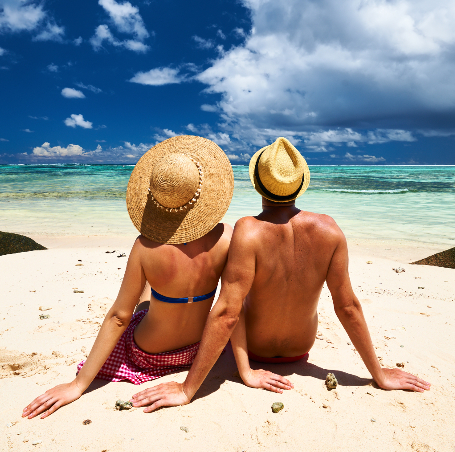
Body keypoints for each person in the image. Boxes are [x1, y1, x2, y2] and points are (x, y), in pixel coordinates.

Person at [132, 137, 431, 412]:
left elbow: (227, 313)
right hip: (301, 351)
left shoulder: (248, 231)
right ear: (301, 184)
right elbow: (347, 307)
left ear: (258, 186)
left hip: (255, 351)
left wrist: (188, 389)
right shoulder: (329, 230)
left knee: (160, 295)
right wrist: (378, 374)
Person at [22, 135, 234, 419]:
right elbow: (232, 306)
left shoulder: (145, 247)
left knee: (141, 301)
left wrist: (78, 384)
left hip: (149, 354)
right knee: (155, 294)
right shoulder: (226, 237)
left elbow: (119, 317)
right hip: (196, 351)